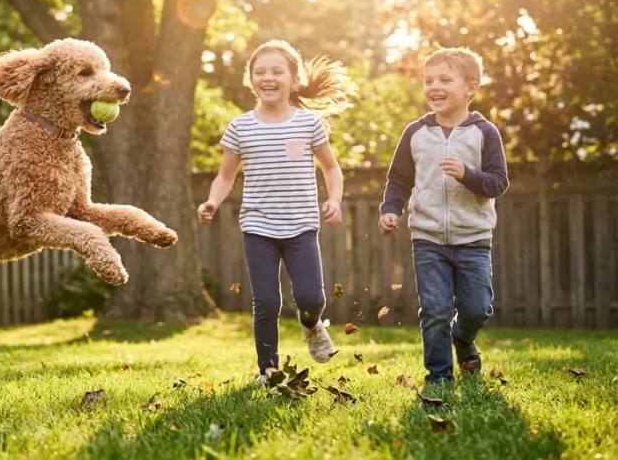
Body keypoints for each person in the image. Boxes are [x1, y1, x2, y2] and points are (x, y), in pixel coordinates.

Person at [197, 40, 355, 381]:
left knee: (311, 297)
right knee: (267, 302)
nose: (268, 78)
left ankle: (311, 324)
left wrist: (334, 199)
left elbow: (331, 168)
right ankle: (267, 368)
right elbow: (225, 175)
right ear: (250, 79)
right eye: (260, 72)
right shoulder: (241, 127)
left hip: (301, 226)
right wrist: (213, 201)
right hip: (258, 226)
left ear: (294, 80)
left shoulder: (308, 124)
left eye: (277, 71)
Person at [378, 47, 509, 384]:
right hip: (428, 238)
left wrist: (467, 174)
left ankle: (462, 339)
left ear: (471, 88)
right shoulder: (415, 133)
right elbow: (399, 180)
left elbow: (498, 183)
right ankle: (439, 376)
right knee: (435, 309)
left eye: (445, 80)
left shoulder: (484, 132)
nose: (434, 86)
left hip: (474, 238)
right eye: (429, 80)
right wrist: (391, 209)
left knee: (478, 309)